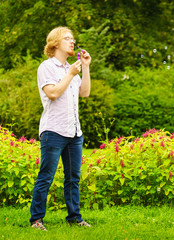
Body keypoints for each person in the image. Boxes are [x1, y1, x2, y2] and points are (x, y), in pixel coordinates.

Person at [30, 26, 92, 231]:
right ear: (55, 43)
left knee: (73, 178)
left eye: (73, 39)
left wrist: (85, 67)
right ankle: (36, 220)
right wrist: (71, 73)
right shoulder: (46, 67)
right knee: (46, 177)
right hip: (53, 131)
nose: (72, 42)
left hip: (74, 132)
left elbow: (85, 93)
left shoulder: (71, 68)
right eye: (68, 38)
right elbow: (53, 93)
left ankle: (74, 217)